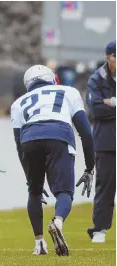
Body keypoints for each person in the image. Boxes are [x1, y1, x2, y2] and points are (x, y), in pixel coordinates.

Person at [11, 65, 95, 256]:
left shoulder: (18, 103)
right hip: (59, 135)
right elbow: (86, 132)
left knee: (34, 192)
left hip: (29, 139)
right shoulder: (69, 91)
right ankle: (57, 222)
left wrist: (30, 178)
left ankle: (39, 244)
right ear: (52, 78)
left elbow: (18, 145)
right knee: (64, 192)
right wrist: (90, 167)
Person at [86, 40, 116, 243]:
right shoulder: (97, 79)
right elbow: (95, 109)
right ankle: (99, 230)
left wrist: (111, 102)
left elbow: (103, 106)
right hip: (106, 141)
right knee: (105, 185)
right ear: (109, 57)